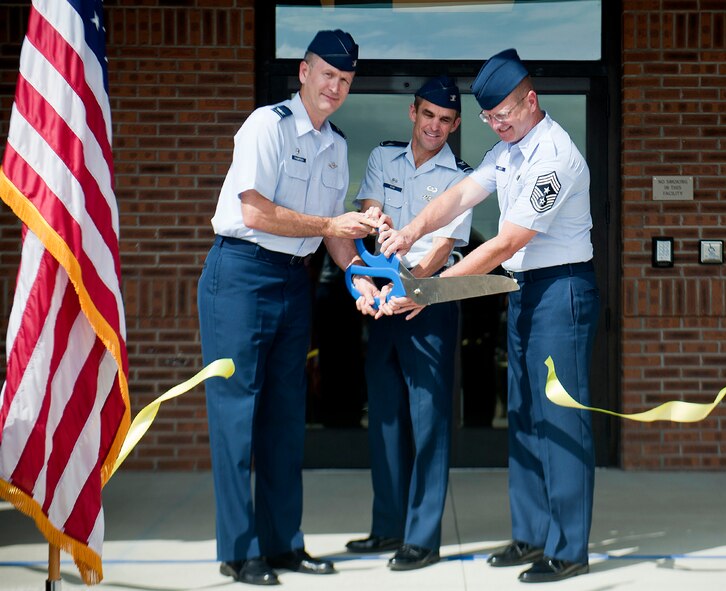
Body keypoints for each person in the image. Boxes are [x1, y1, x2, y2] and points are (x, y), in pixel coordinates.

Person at [377, 49, 601, 583]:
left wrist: (431, 290)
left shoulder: (555, 156)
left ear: (531, 101)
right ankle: (531, 535)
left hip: (562, 289)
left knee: (560, 418)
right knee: (523, 415)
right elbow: (460, 195)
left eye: (504, 114)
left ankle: (568, 547)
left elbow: (505, 243)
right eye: (489, 118)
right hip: (523, 290)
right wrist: (409, 231)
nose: (497, 125)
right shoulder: (508, 149)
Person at [197, 29, 381, 586]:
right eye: (328, 74)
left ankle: (283, 544)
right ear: (304, 72)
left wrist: (358, 277)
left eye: (345, 80)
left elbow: (334, 236)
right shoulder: (266, 125)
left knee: (284, 419)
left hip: (293, 281)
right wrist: (331, 224)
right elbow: (255, 212)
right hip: (241, 275)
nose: (336, 87)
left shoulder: (337, 145)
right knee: (236, 418)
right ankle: (239, 551)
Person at [345, 76, 473, 570]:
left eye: (445, 120)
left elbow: (444, 245)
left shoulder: (461, 176)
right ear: (413, 113)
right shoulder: (383, 157)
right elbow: (369, 209)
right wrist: (376, 224)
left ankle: (422, 538)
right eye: (428, 115)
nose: (435, 126)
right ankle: (387, 527)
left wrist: (412, 286)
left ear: (455, 125)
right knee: (385, 417)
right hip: (383, 302)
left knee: (428, 424)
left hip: (427, 303)